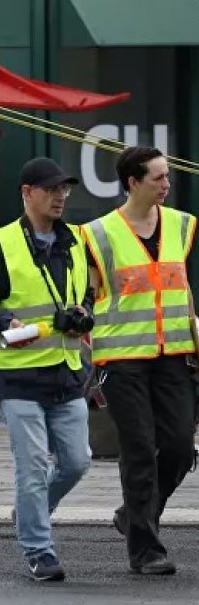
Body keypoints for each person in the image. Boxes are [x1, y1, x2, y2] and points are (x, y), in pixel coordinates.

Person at [0, 157, 93, 582]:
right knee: (33, 467)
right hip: (20, 377)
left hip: (66, 372)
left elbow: (85, 294)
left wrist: (83, 312)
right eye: (51, 188)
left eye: (65, 189)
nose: (61, 196)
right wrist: (6, 323)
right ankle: (39, 550)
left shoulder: (74, 239)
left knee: (77, 463)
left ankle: (28, 512)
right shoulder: (4, 243)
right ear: (27, 193)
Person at [82, 146, 197, 576]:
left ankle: (134, 515)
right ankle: (145, 549)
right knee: (138, 452)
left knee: (181, 449)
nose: (167, 184)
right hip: (122, 358)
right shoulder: (98, 234)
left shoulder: (182, 225)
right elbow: (87, 293)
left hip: (174, 356)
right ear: (133, 182)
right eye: (158, 178)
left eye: (168, 176)